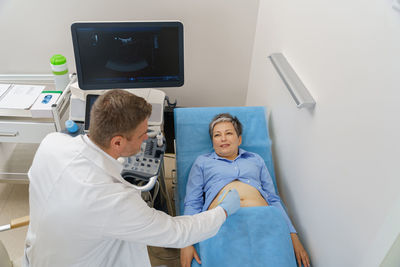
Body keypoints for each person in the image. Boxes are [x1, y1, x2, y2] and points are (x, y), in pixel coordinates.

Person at [23, 90, 241, 267]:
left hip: (40, 254)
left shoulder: (51, 143)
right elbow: (177, 232)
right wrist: (222, 211)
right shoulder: (113, 200)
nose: (147, 138)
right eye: (142, 135)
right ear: (117, 142)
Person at [180, 113, 311, 267]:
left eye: (229, 133)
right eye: (217, 135)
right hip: (222, 219)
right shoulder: (202, 162)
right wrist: (186, 242)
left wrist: (293, 236)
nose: (223, 138)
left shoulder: (255, 159)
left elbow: (273, 199)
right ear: (213, 141)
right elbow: (193, 202)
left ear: (239, 139)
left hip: (265, 219)